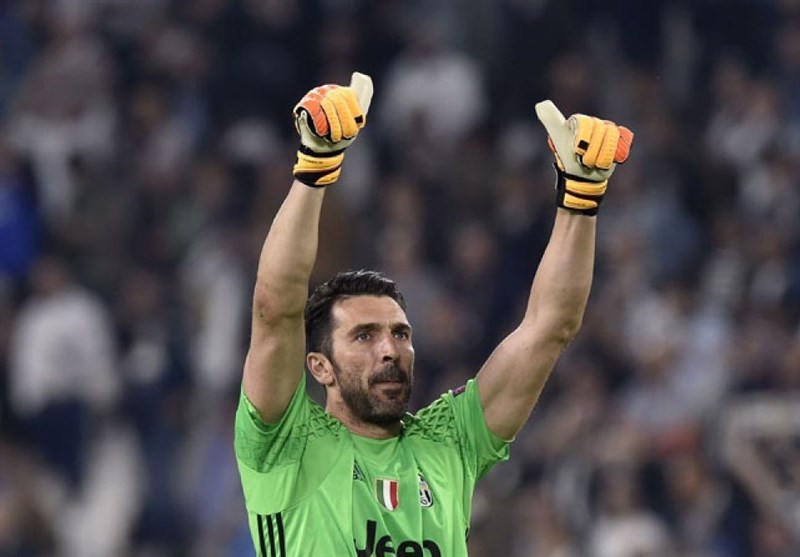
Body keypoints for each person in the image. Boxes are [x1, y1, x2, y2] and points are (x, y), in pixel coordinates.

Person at [234, 71, 633, 556]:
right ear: (320, 366)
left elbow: (550, 328)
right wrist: (314, 169)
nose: (390, 349)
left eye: (400, 334)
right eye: (364, 336)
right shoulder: (286, 442)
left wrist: (581, 200)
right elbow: (276, 309)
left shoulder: (448, 442)